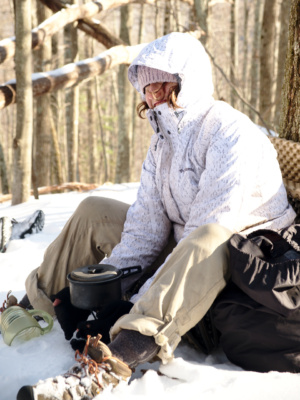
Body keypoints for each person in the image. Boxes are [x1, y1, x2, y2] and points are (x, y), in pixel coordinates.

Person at [17, 32, 296, 400]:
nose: (151, 97)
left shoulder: (231, 133)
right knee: (95, 210)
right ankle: (30, 309)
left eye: (160, 84)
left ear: (186, 81)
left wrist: (131, 304)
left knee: (208, 235)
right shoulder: (163, 140)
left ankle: (114, 362)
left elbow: (210, 228)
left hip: (246, 255)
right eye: (146, 88)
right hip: (191, 249)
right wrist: (106, 290)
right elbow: (144, 231)